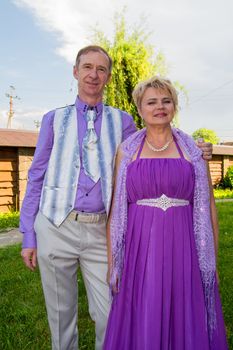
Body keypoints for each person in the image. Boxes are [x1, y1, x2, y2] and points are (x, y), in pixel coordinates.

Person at [20, 46, 212, 350]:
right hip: (56, 225)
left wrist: (196, 148)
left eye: (101, 69)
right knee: (60, 314)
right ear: (75, 72)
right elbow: (36, 177)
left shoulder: (122, 121)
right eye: (87, 67)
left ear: (108, 76)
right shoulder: (52, 119)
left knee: (110, 313)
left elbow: (156, 140)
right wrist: (29, 234)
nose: (93, 75)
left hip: (100, 228)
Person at [103, 76, 228, 350]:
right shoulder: (126, 152)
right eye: (152, 102)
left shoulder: (194, 151)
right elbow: (116, 211)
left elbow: (207, 208)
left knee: (183, 311)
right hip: (139, 250)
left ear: (174, 106)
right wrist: (114, 264)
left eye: (166, 101)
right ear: (139, 108)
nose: (159, 107)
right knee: (143, 310)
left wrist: (212, 261)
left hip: (184, 248)